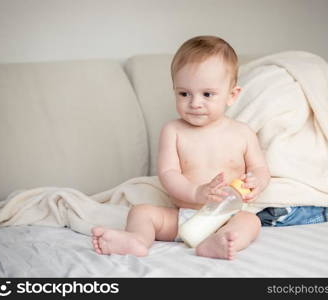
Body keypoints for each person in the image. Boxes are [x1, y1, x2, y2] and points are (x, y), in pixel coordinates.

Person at [91, 35, 271, 260]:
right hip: (182, 217)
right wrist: (197, 192)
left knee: (250, 222)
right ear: (174, 90)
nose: (195, 103)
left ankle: (218, 242)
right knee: (141, 212)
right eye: (184, 93)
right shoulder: (173, 131)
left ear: (232, 95)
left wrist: (257, 181)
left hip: (225, 216)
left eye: (207, 94)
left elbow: (260, 168)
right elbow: (168, 173)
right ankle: (136, 239)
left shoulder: (243, 132)